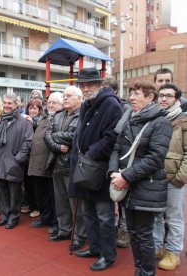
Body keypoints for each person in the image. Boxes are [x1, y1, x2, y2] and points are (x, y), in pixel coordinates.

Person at [109, 80, 172, 275]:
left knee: (143, 235)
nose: (131, 97)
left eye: (137, 94)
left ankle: (146, 272)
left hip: (146, 187)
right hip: (127, 184)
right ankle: (139, 271)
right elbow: (117, 148)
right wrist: (113, 172)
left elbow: (155, 158)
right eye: (131, 93)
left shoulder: (160, 122)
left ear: (150, 97)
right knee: (134, 233)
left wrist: (125, 176)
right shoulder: (130, 118)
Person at [70, 68, 123, 271]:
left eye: (89, 84)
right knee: (89, 212)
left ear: (99, 85)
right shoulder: (87, 104)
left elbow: (112, 137)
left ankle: (107, 255)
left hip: (100, 167)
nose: (85, 88)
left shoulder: (111, 104)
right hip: (85, 166)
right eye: (82, 85)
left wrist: (91, 152)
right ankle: (94, 247)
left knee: (104, 215)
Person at [45, 86, 86, 251]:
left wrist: (56, 136)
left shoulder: (84, 114)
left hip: (72, 165)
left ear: (79, 98)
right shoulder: (58, 115)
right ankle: (64, 230)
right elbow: (47, 135)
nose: (65, 98)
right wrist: (57, 146)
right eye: (64, 95)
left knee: (76, 205)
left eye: (69, 96)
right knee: (60, 201)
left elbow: (76, 136)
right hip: (57, 162)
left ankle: (79, 236)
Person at [153, 83, 187, 271]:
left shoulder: (183, 121)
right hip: (156, 176)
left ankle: (173, 252)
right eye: (161, 95)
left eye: (168, 96)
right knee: (157, 215)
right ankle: (157, 247)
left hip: (174, 178)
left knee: (173, 217)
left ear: (177, 99)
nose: (163, 99)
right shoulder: (157, 119)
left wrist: (180, 178)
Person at [0, 93, 33, 229]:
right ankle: (4, 215)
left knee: (15, 193)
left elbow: (28, 142)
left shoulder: (25, 122)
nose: (7, 106)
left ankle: (13, 217)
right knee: (2, 192)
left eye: (10, 103)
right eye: (5, 103)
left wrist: (18, 159)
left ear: (17, 105)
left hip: (14, 162)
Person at [102, 76, 131, 248]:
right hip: (106, 159)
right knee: (109, 197)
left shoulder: (124, 107)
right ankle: (113, 226)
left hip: (121, 158)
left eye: (105, 88)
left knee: (121, 196)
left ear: (113, 91)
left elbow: (117, 131)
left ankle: (124, 229)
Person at [28, 92, 63, 232]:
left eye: (54, 102)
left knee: (53, 196)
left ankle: (55, 222)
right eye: (49, 102)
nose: (51, 105)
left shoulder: (60, 119)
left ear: (61, 104)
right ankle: (45, 217)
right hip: (37, 163)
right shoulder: (43, 119)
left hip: (50, 164)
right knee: (40, 194)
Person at [22, 99, 44, 218]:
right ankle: (30, 204)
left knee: (36, 184)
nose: (32, 110)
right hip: (26, 157)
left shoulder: (41, 121)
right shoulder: (24, 119)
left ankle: (37, 207)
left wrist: (32, 123)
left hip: (37, 157)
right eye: (30, 108)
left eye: (35, 108)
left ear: (40, 110)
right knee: (27, 182)